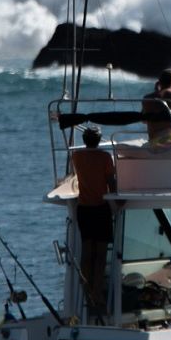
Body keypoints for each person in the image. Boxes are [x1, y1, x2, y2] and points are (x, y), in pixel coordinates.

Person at [70, 126, 115, 320]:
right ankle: (97, 293)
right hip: (100, 208)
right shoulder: (105, 157)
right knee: (101, 255)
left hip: (83, 209)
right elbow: (110, 182)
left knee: (87, 253)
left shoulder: (77, 157)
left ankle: (87, 293)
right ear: (99, 139)